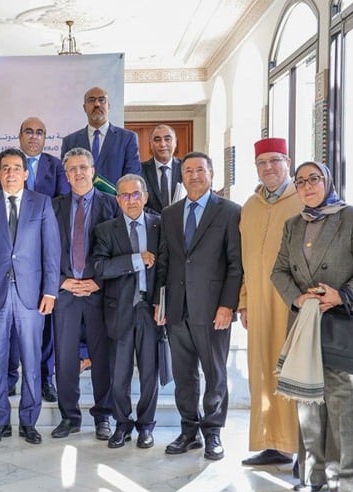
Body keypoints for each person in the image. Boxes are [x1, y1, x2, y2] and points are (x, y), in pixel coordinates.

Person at [271, 161, 353, 492]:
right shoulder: (293, 224)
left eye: (314, 179)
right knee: (308, 404)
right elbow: (279, 271)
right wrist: (297, 297)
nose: (307, 186)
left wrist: (343, 294)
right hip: (305, 325)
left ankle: (344, 484)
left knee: (344, 406)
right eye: (300, 181)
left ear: (328, 181)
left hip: (343, 323)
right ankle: (313, 476)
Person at [0, 148, 60, 445]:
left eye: (16, 168)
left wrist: (50, 291)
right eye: (5, 168)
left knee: (32, 361)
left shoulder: (41, 203)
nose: (11, 173)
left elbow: (51, 251)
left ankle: (29, 422)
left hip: (30, 296)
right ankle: (0, 422)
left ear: (25, 173)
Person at [154, 151, 242, 461]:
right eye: (188, 170)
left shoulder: (230, 211)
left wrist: (227, 305)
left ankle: (213, 432)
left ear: (211, 174)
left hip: (213, 309)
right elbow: (164, 261)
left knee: (214, 374)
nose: (194, 175)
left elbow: (236, 264)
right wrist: (160, 303)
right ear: (181, 176)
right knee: (184, 375)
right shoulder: (170, 214)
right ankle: (188, 431)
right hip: (177, 308)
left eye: (200, 170)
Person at [0, 117, 67, 403]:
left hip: (39, 256)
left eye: (39, 132)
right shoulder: (3, 166)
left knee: (43, 333)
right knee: (9, 334)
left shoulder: (56, 166)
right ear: (20, 135)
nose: (34, 136)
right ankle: (10, 378)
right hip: (7, 266)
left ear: (45, 137)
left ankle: (45, 380)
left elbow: (61, 204)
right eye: (28, 132)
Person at [239, 138, 303, 467]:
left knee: (295, 374)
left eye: (275, 161)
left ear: (287, 162)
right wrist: (244, 301)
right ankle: (272, 443)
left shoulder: (303, 201)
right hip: (259, 307)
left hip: (293, 306)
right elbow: (245, 261)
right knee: (263, 373)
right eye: (262, 163)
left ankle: (301, 445)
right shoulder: (250, 206)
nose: (268, 168)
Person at [51, 147, 120, 441]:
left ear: (93, 171)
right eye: (72, 169)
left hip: (98, 293)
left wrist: (100, 282)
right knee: (65, 359)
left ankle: (103, 416)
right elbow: (44, 251)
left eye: (83, 167)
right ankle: (70, 417)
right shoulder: (53, 206)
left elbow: (121, 249)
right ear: (66, 175)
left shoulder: (112, 205)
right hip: (66, 293)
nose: (78, 173)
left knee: (102, 358)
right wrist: (61, 282)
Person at [93, 174, 161, 449]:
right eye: (124, 195)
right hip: (120, 309)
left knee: (149, 374)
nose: (131, 200)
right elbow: (100, 268)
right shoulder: (105, 230)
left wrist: (164, 302)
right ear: (117, 199)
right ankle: (122, 424)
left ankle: (146, 426)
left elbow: (169, 267)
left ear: (145, 197)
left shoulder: (159, 225)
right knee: (119, 374)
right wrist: (136, 260)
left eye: (136, 194)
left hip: (150, 310)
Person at [61, 86, 142, 187]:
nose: (97, 104)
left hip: (115, 197)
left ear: (108, 106)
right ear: (84, 108)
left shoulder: (127, 138)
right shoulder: (70, 141)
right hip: (80, 197)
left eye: (102, 100)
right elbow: (65, 177)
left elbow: (132, 177)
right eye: (91, 100)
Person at [141, 125, 183, 213]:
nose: (162, 144)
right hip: (151, 220)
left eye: (167, 139)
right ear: (151, 144)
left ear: (175, 143)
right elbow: (138, 203)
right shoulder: (140, 170)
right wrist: (161, 218)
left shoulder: (185, 167)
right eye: (157, 140)